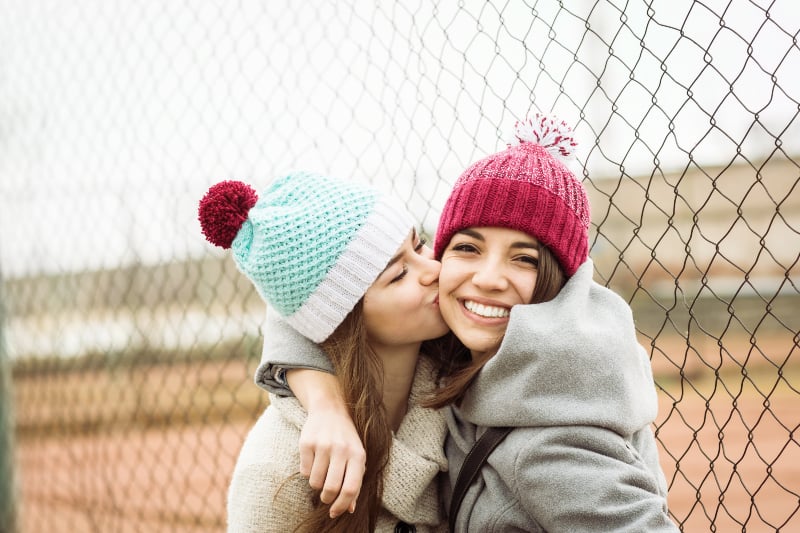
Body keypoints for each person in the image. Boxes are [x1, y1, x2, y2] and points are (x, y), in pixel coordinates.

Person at [256, 114, 680, 531]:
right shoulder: (462, 351)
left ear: (561, 284)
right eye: (467, 248)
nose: (488, 279)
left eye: (524, 258)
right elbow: (313, 297)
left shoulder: (551, 440)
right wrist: (326, 405)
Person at [198, 171, 451, 532]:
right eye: (399, 274)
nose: (435, 268)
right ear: (343, 319)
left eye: (420, 243)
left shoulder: (462, 395)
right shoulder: (274, 473)